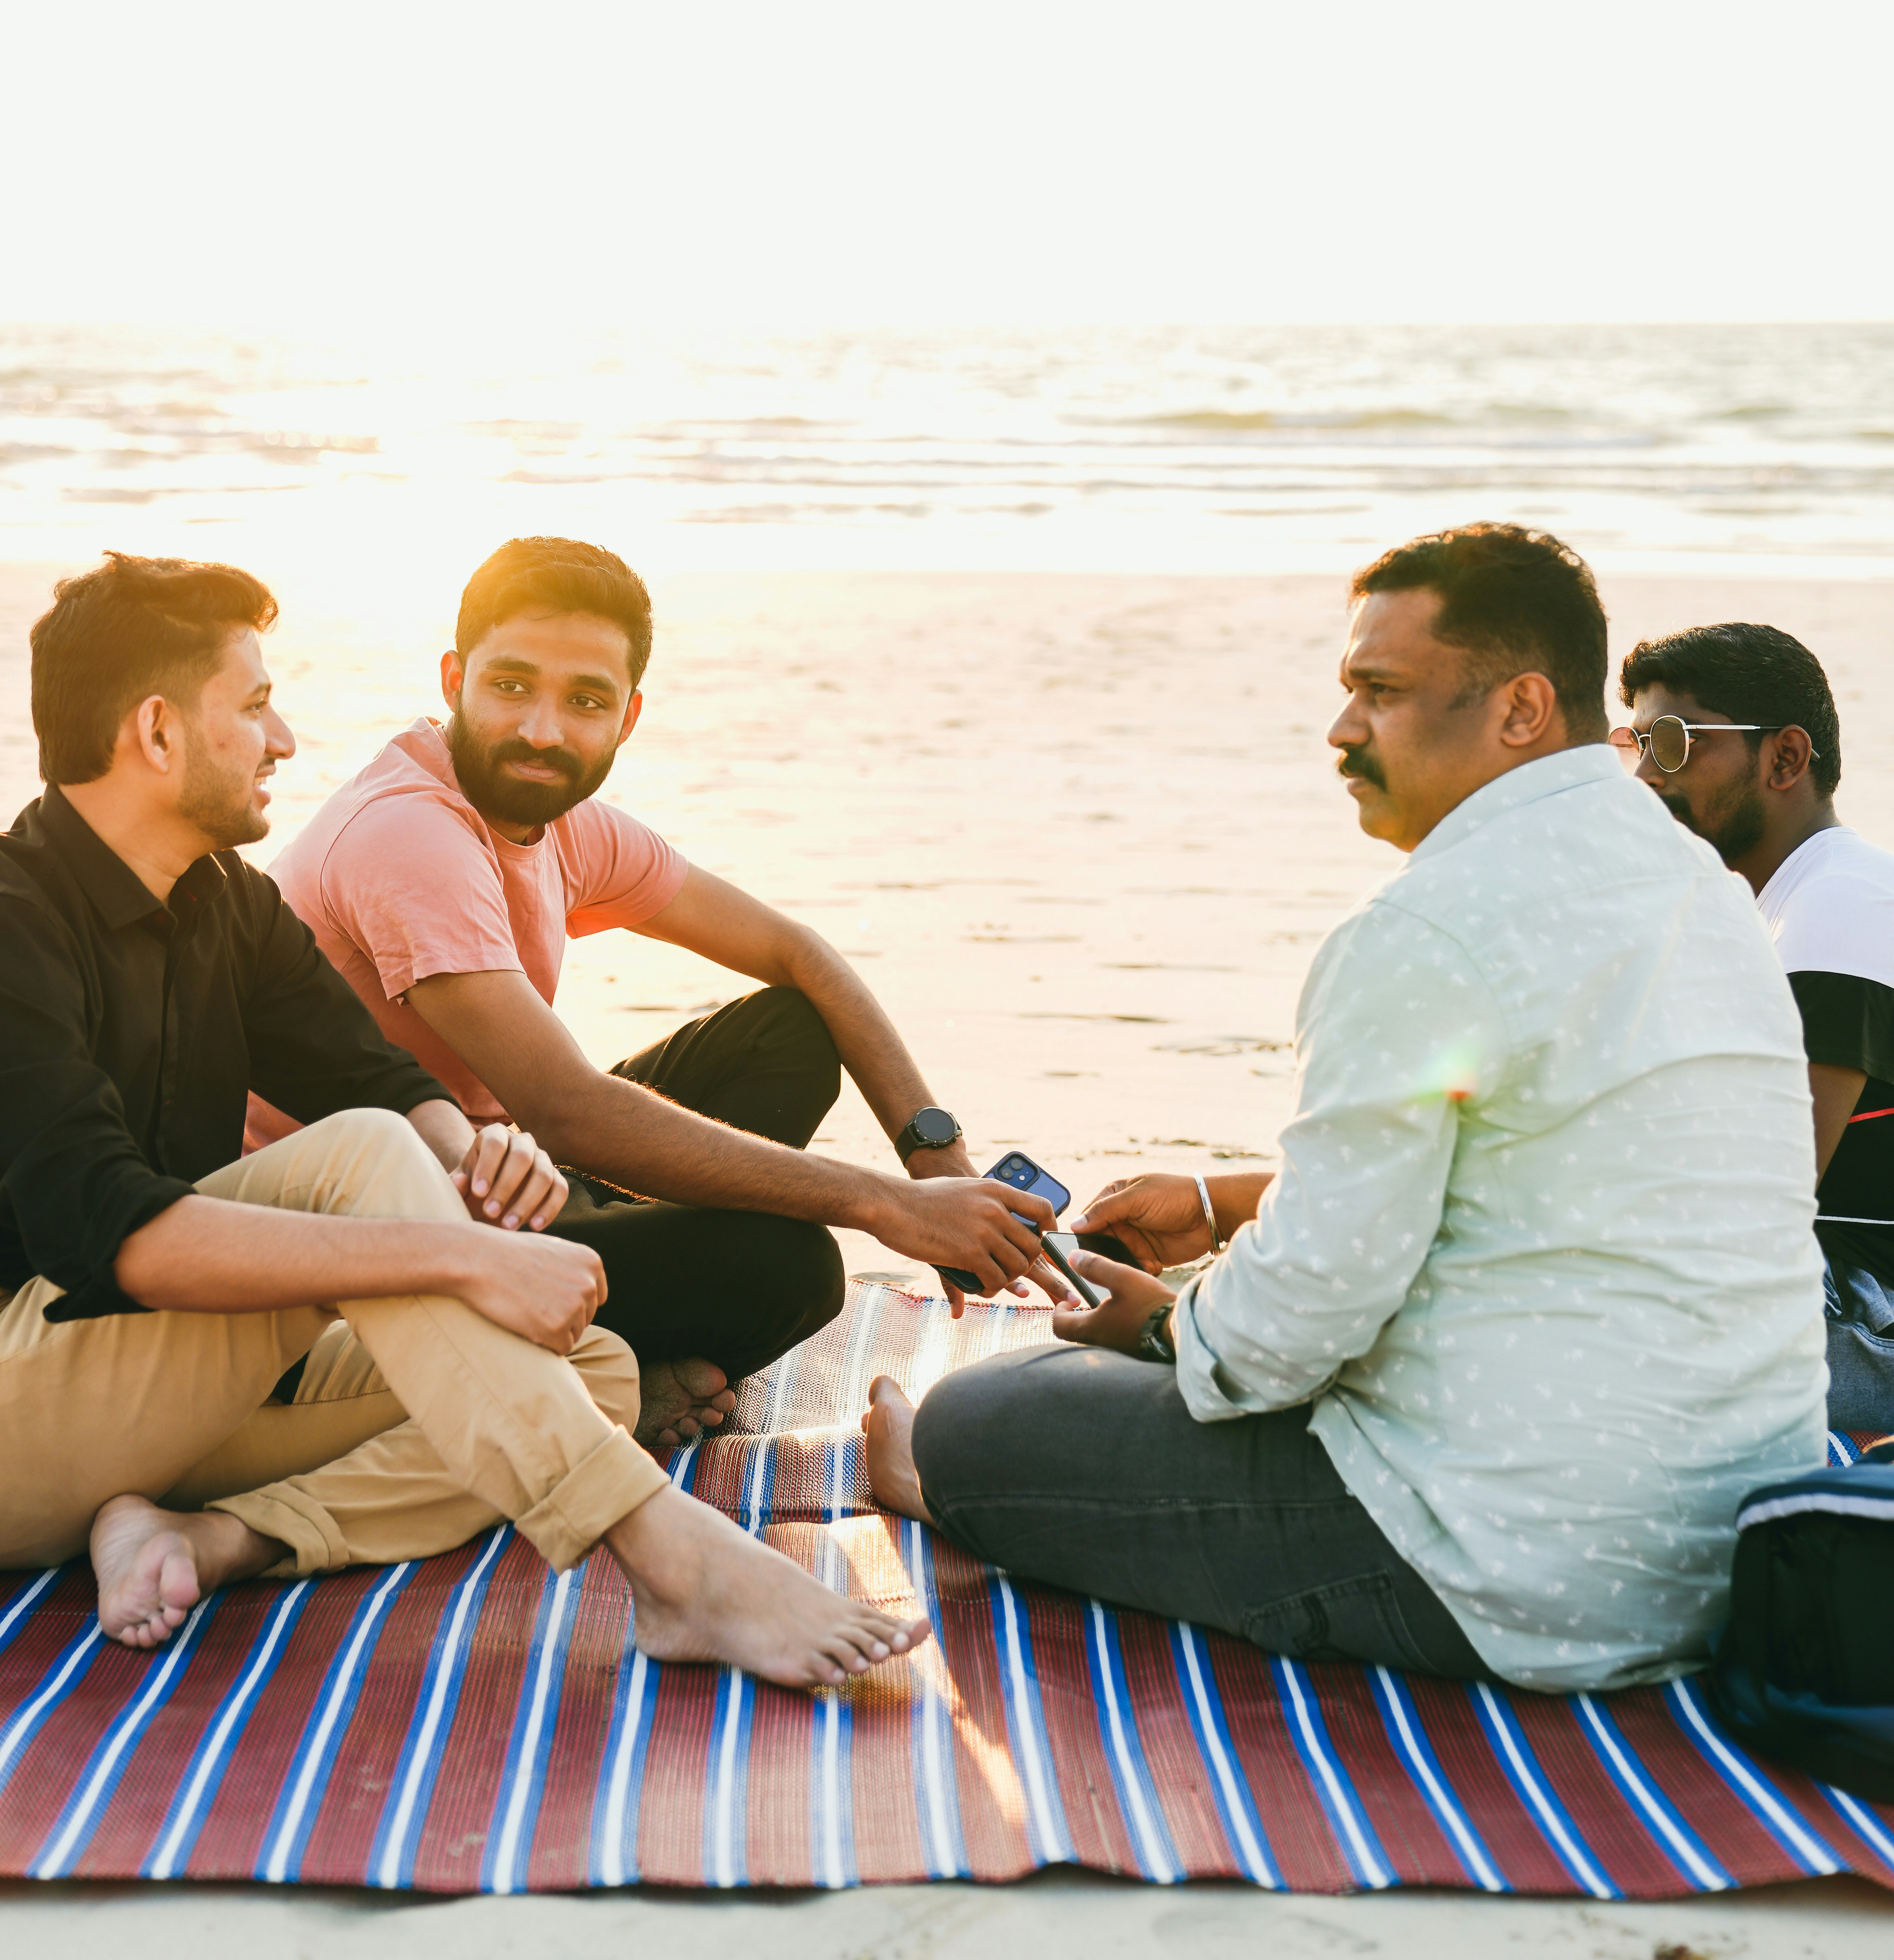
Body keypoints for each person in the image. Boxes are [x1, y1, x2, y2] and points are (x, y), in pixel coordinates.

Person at [864, 523, 1828, 1694]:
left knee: (982, 1415)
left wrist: (1166, 1327)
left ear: (1522, 708)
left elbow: (1294, 1330)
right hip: (1733, 1551)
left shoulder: (1425, 931)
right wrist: (1214, 1257)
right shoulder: (1708, 892)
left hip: (1514, 1573)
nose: (1341, 730)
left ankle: (953, 1482)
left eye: (1380, 692)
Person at [0, 551, 929, 1687]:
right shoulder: (15, 925)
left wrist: (478, 1155)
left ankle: (221, 1535)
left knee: (590, 1377)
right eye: (254, 707)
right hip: (26, 1399)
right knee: (366, 1166)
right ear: (155, 733)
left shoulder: (220, 902)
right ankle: (676, 1567)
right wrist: (461, 1254)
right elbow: (123, 1236)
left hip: (151, 1404)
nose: (283, 739)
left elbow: (382, 1079)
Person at [264, 536, 1055, 1450]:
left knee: (787, 1035)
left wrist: (934, 1161)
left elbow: (800, 955)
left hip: (494, 1171)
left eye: (585, 701)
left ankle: (610, 1349)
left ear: (629, 717)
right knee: (793, 1266)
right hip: (357, 1241)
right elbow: (568, 1112)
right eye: (511, 686)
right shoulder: (409, 834)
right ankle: (596, 1373)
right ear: (453, 680)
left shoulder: (565, 824)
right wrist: (889, 1207)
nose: (543, 731)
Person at [1615, 621, 1894, 1429]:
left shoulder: (1840, 902)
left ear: (1782, 759)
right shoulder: (1773, 913)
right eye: (1632, 744)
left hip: (1861, 1316)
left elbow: (1757, 1195)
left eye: (1671, 742)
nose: (1642, 775)